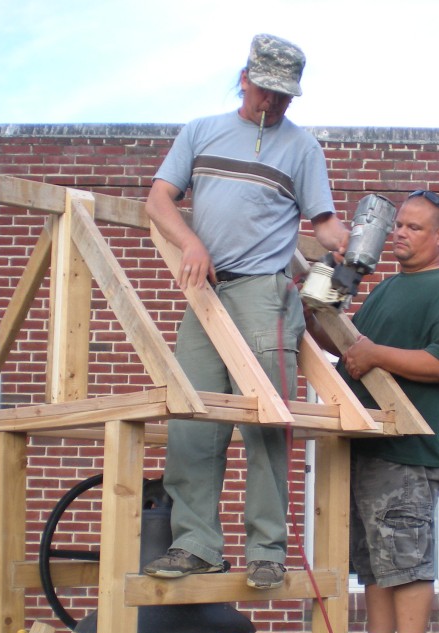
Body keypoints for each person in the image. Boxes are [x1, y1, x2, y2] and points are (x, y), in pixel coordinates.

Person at [143, 33, 349, 589]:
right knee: (192, 419)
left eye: (284, 97)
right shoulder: (201, 131)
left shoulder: (303, 148)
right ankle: (195, 544)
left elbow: (323, 222)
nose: (273, 104)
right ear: (245, 78)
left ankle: (267, 549)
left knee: (267, 421)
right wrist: (190, 241)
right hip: (205, 293)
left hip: (264, 294)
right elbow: (158, 199)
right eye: (266, 91)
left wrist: (343, 240)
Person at [309, 189, 439, 633]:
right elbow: (347, 346)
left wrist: (376, 353)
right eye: (399, 225)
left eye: (415, 227)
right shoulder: (384, 289)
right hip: (370, 444)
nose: (401, 233)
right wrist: (312, 302)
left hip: (409, 449)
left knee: (406, 557)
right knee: (378, 561)